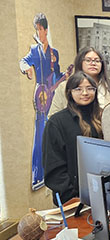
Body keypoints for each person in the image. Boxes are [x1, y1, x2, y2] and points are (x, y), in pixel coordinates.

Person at [19, 13, 68, 189]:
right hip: (41, 96)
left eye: (41, 29)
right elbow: (23, 61)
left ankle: (53, 172)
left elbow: (58, 75)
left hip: (52, 97)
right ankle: (37, 176)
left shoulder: (54, 53)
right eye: (36, 29)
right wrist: (27, 70)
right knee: (40, 133)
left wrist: (65, 77)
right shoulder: (34, 50)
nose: (38, 32)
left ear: (46, 30)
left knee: (53, 134)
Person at [42, 71, 102, 206]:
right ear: (69, 92)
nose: (85, 93)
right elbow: (53, 168)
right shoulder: (57, 122)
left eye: (90, 89)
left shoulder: (102, 117)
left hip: (102, 194)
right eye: (78, 89)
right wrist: (73, 196)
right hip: (71, 200)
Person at [49, 47, 110, 116]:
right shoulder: (64, 86)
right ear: (80, 62)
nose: (93, 63)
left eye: (97, 61)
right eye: (88, 60)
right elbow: (53, 115)